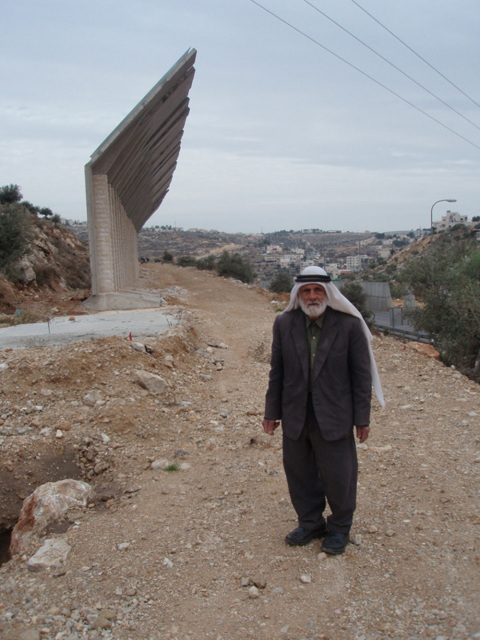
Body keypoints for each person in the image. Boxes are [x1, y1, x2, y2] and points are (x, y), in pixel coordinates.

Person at [263, 266, 385, 555]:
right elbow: (276, 372)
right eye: (306, 290)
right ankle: (310, 523)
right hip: (296, 415)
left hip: (335, 416)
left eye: (318, 290)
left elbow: (361, 377)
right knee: (300, 474)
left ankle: (340, 528)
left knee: (339, 476)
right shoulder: (284, 323)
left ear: (328, 292)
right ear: (298, 294)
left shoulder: (349, 325)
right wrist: (271, 412)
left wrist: (362, 418)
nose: (312, 295)